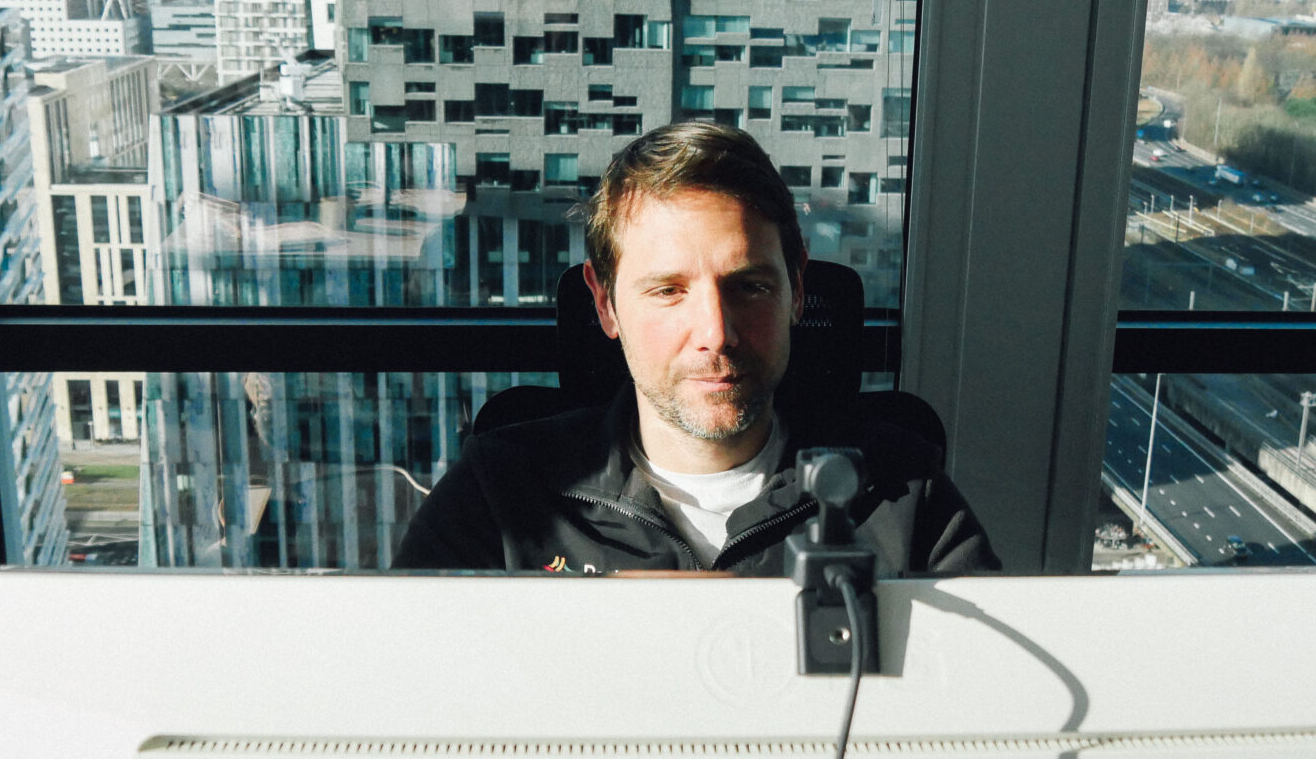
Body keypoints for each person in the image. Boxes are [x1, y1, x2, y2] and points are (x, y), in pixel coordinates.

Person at [393, 122, 999, 574]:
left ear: (797, 291)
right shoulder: (499, 493)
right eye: (668, 291)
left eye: (750, 287)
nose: (716, 332)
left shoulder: (903, 495)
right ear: (605, 304)